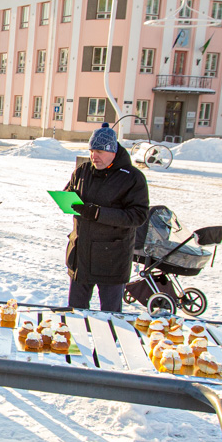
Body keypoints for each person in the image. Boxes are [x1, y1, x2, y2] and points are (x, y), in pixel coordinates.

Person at [64, 122, 149, 311]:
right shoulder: (83, 171)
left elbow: (138, 216)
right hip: (81, 255)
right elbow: (70, 192)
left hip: (111, 258)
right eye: (92, 150)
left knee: (110, 315)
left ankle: (110, 340)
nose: (94, 156)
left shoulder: (132, 177)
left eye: (100, 152)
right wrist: (67, 198)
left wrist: (98, 213)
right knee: (75, 312)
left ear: (113, 151)